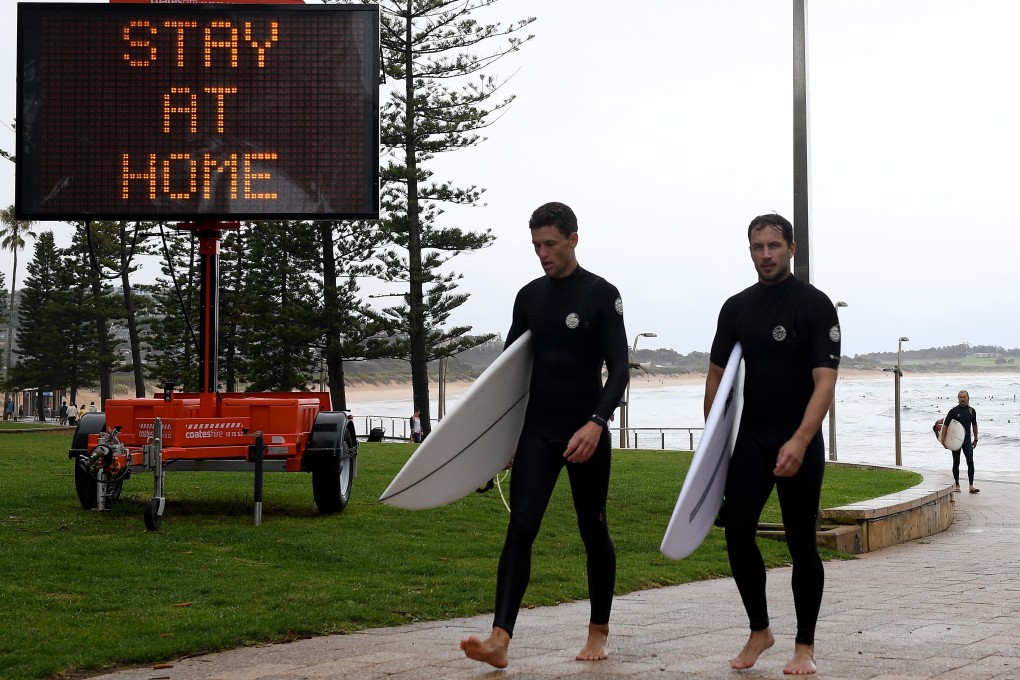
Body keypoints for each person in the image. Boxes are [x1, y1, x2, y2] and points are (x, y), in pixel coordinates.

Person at [460, 202, 629, 668]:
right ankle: (499, 639)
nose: (542, 253)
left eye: (550, 244)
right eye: (536, 245)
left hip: (585, 431)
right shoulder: (530, 296)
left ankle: (598, 632)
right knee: (521, 527)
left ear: (574, 239)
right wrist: (504, 437)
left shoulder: (601, 294)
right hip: (537, 430)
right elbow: (510, 373)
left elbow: (618, 371)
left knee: (592, 530)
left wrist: (597, 423)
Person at [705, 213, 840, 675]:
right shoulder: (737, 307)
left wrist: (801, 440)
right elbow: (718, 376)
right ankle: (760, 629)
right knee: (738, 532)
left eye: (774, 246)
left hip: (799, 440)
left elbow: (825, 383)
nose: (766, 255)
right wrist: (713, 445)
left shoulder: (815, 306)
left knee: (802, 542)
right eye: (758, 247)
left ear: (791, 249)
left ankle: (805, 645)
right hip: (752, 440)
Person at [946, 390, 979, 494]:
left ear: (968, 398)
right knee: (956, 462)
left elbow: (974, 424)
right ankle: (957, 484)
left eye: (964, 397)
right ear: (958, 398)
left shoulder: (971, 411)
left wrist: (976, 438)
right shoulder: (953, 411)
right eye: (960, 397)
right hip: (955, 441)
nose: (962, 399)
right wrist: (944, 441)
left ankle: (971, 486)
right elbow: (946, 425)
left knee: (970, 462)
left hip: (967, 441)